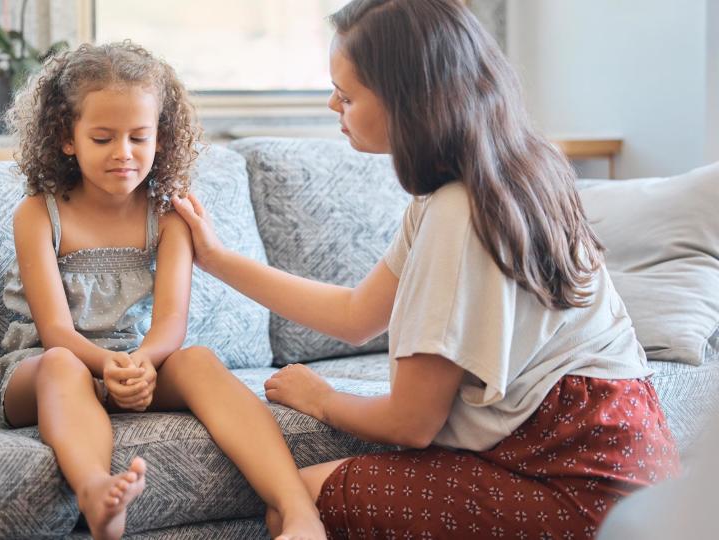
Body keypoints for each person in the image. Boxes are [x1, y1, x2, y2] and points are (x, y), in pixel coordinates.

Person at [172, 1, 681, 537]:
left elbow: (410, 423)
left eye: (346, 96)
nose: (332, 104)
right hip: (626, 460)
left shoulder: (458, 214)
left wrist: (322, 399)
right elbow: (355, 316)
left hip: (575, 485)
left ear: (409, 102)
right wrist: (217, 259)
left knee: (297, 502)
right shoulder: (508, 173)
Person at [0, 41, 325, 540]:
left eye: (139, 137)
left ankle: (297, 509)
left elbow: (171, 322)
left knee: (196, 360)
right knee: (62, 365)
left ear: (161, 138)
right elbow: (56, 330)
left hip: (133, 363)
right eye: (103, 138)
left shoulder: (168, 217)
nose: (123, 153)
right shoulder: (39, 214)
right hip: (47, 369)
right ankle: (97, 495)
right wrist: (108, 366)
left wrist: (143, 363)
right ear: (67, 137)